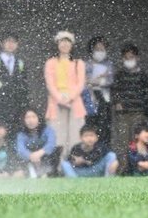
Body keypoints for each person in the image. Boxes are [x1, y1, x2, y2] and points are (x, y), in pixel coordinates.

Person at [44, 31, 87, 159]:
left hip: (75, 102)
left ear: (72, 44)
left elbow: (80, 84)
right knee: (58, 136)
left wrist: (70, 97)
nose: (65, 44)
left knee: (76, 136)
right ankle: (59, 167)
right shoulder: (50, 63)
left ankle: (74, 165)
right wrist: (60, 98)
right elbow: (50, 84)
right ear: (57, 44)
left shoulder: (79, 63)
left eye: (68, 41)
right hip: (56, 102)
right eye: (62, 41)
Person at [111, 42, 148, 168]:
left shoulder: (143, 76)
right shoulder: (119, 75)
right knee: (123, 142)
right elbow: (114, 92)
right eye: (126, 57)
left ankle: (138, 168)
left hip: (139, 114)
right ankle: (124, 168)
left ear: (137, 58)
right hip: (123, 115)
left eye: (131, 57)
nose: (129, 60)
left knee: (138, 142)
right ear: (122, 59)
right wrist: (117, 103)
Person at [0, 32, 29, 131]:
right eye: (8, 41)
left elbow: (24, 87)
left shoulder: (21, 63)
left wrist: (24, 108)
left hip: (17, 109)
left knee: (15, 135)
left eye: (14, 42)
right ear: (2, 43)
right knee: (0, 135)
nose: (10, 44)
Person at [84, 35, 114, 140]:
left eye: (102, 49)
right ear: (92, 50)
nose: (100, 51)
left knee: (105, 126)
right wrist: (98, 80)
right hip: (90, 97)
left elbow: (110, 80)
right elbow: (84, 81)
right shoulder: (86, 64)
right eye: (97, 49)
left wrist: (96, 81)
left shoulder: (109, 64)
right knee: (91, 125)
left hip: (105, 97)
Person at [15, 108, 60, 178]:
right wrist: (30, 155)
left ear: (39, 118)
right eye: (27, 117)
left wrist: (39, 153)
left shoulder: (48, 129)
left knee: (55, 153)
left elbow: (51, 144)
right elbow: (20, 149)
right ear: (23, 120)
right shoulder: (21, 134)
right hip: (29, 160)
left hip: (46, 158)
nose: (31, 120)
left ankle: (48, 174)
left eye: (33, 117)